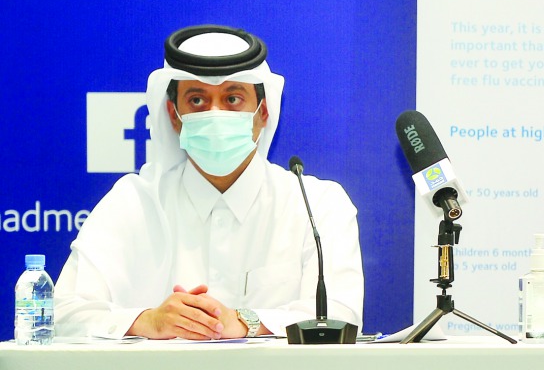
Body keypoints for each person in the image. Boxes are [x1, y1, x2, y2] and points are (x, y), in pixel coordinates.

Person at [56, 25, 364, 340]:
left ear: (264, 112)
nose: (215, 114)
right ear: (174, 116)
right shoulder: (135, 200)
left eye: (232, 98)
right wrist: (147, 321)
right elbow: (60, 313)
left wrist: (245, 322)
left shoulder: (317, 204)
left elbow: (341, 316)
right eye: (197, 100)